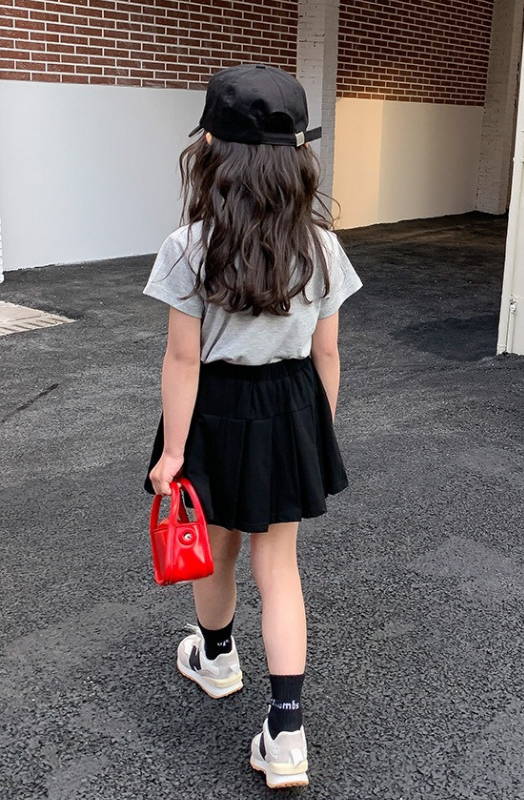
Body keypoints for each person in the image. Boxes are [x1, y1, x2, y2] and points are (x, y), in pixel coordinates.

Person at [143, 64, 362, 790]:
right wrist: (315, 434)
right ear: (300, 158)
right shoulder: (322, 246)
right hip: (291, 405)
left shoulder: (189, 245)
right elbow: (328, 354)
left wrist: (173, 454)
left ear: (212, 147)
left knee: (217, 549)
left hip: (213, 411)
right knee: (280, 567)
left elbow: (183, 359)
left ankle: (217, 660)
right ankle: (287, 733)